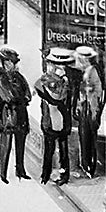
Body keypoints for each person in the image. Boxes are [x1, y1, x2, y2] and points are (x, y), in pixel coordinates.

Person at [0, 49, 31, 182]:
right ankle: (3, 173)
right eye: (12, 62)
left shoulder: (18, 76)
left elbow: (28, 95)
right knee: (6, 145)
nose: (14, 65)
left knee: (20, 144)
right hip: (7, 115)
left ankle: (20, 170)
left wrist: (19, 98)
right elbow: (8, 97)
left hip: (21, 115)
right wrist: (19, 98)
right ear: (6, 62)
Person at [36, 51, 74, 185]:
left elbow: (56, 97)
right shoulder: (51, 80)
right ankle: (47, 175)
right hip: (52, 121)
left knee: (58, 150)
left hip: (58, 121)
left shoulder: (62, 82)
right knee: (53, 150)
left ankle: (55, 175)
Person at [74, 46, 106, 176]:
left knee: (88, 137)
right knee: (84, 137)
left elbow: (97, 92)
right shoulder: (86, 72)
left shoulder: (92, 72)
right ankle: (86, 164)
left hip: (89, 109)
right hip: (85, 108)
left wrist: (94, 110)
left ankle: (89, 165)